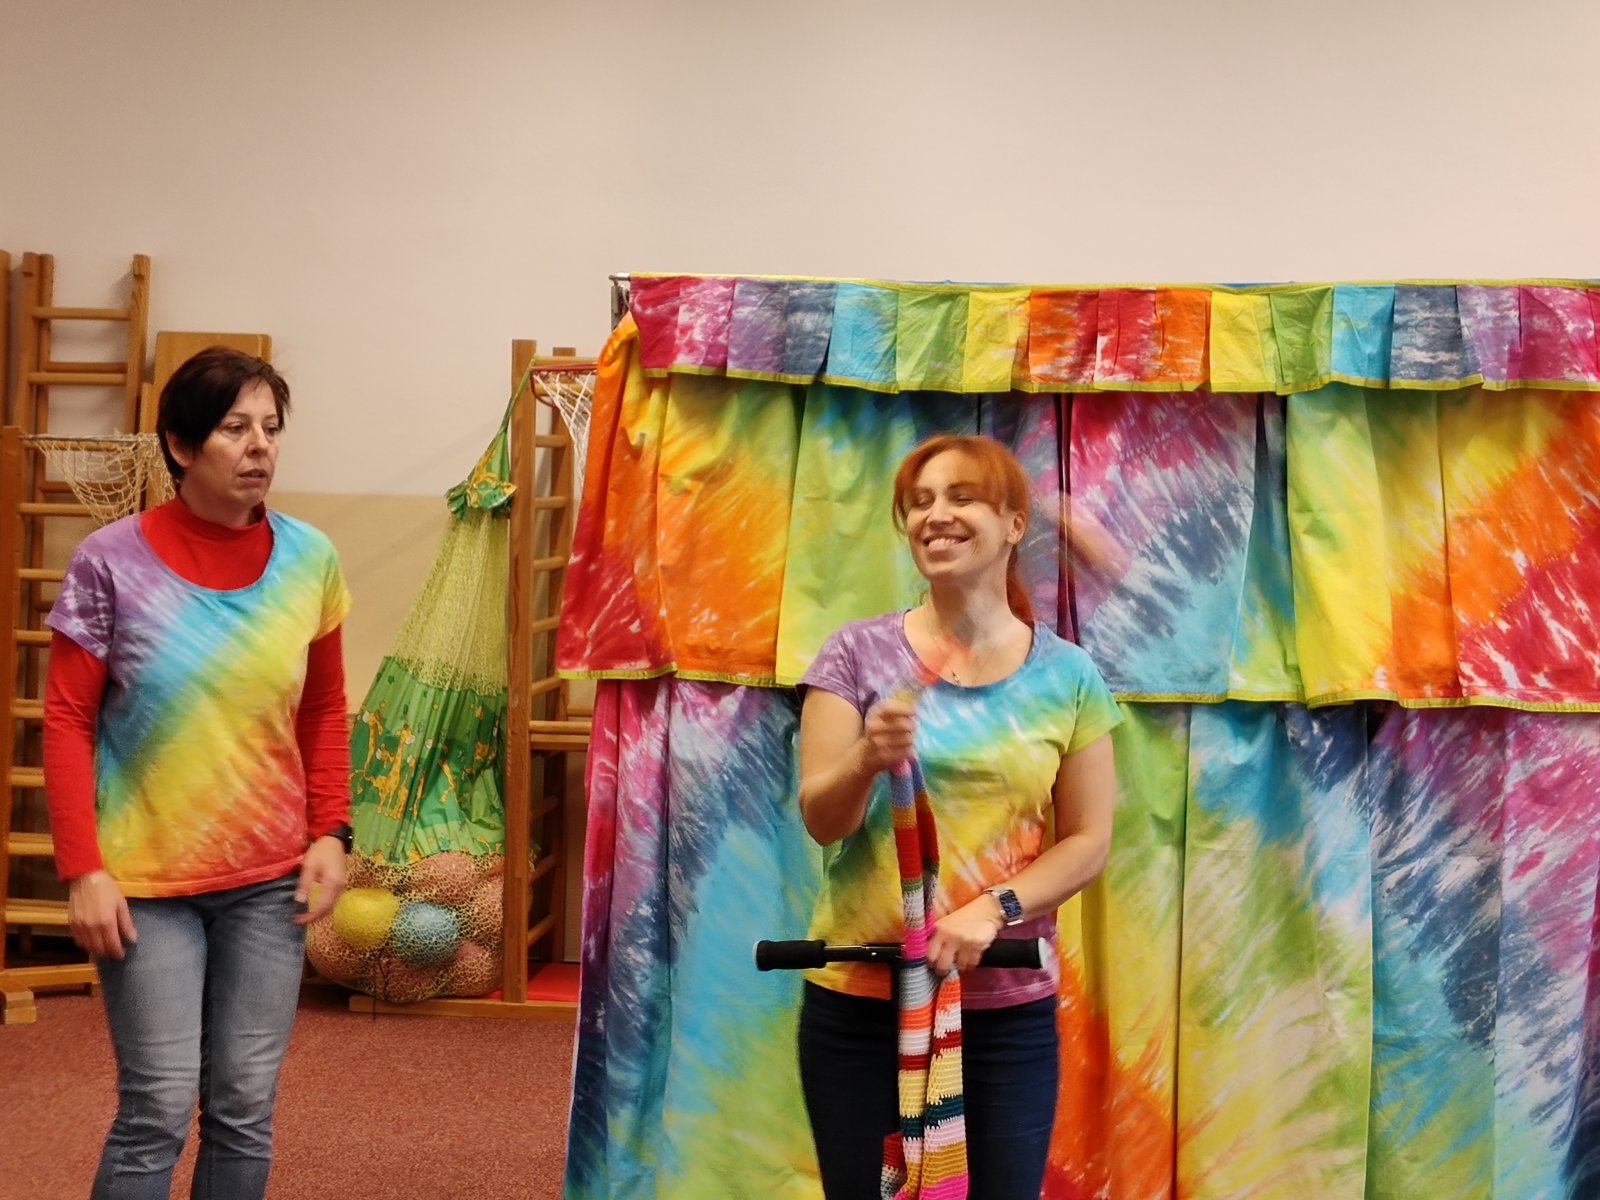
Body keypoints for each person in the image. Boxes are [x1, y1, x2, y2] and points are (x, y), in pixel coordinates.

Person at [42, 346, 354, 1200]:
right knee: (158, 1107)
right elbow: (65, 720)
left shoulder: (310, 559)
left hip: (269, 882)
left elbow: (325, 707)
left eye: (271, 428)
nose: (259, 446)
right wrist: (82, 870)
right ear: (181, 446)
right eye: (234, 428)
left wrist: (332, 831)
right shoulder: (109, 561)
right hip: (145, 884)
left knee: (245, 1105)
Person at [795, 433, 1121, 1200]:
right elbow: (823, 820)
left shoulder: (1069, 675)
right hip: (860, 1007)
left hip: (1004, 1018)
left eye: (961, 497)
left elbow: (1088, 840)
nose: (934, 515)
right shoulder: (853, 654)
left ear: (1014, 525)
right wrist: (865, 759)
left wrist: (992, 910)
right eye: (919, 503)